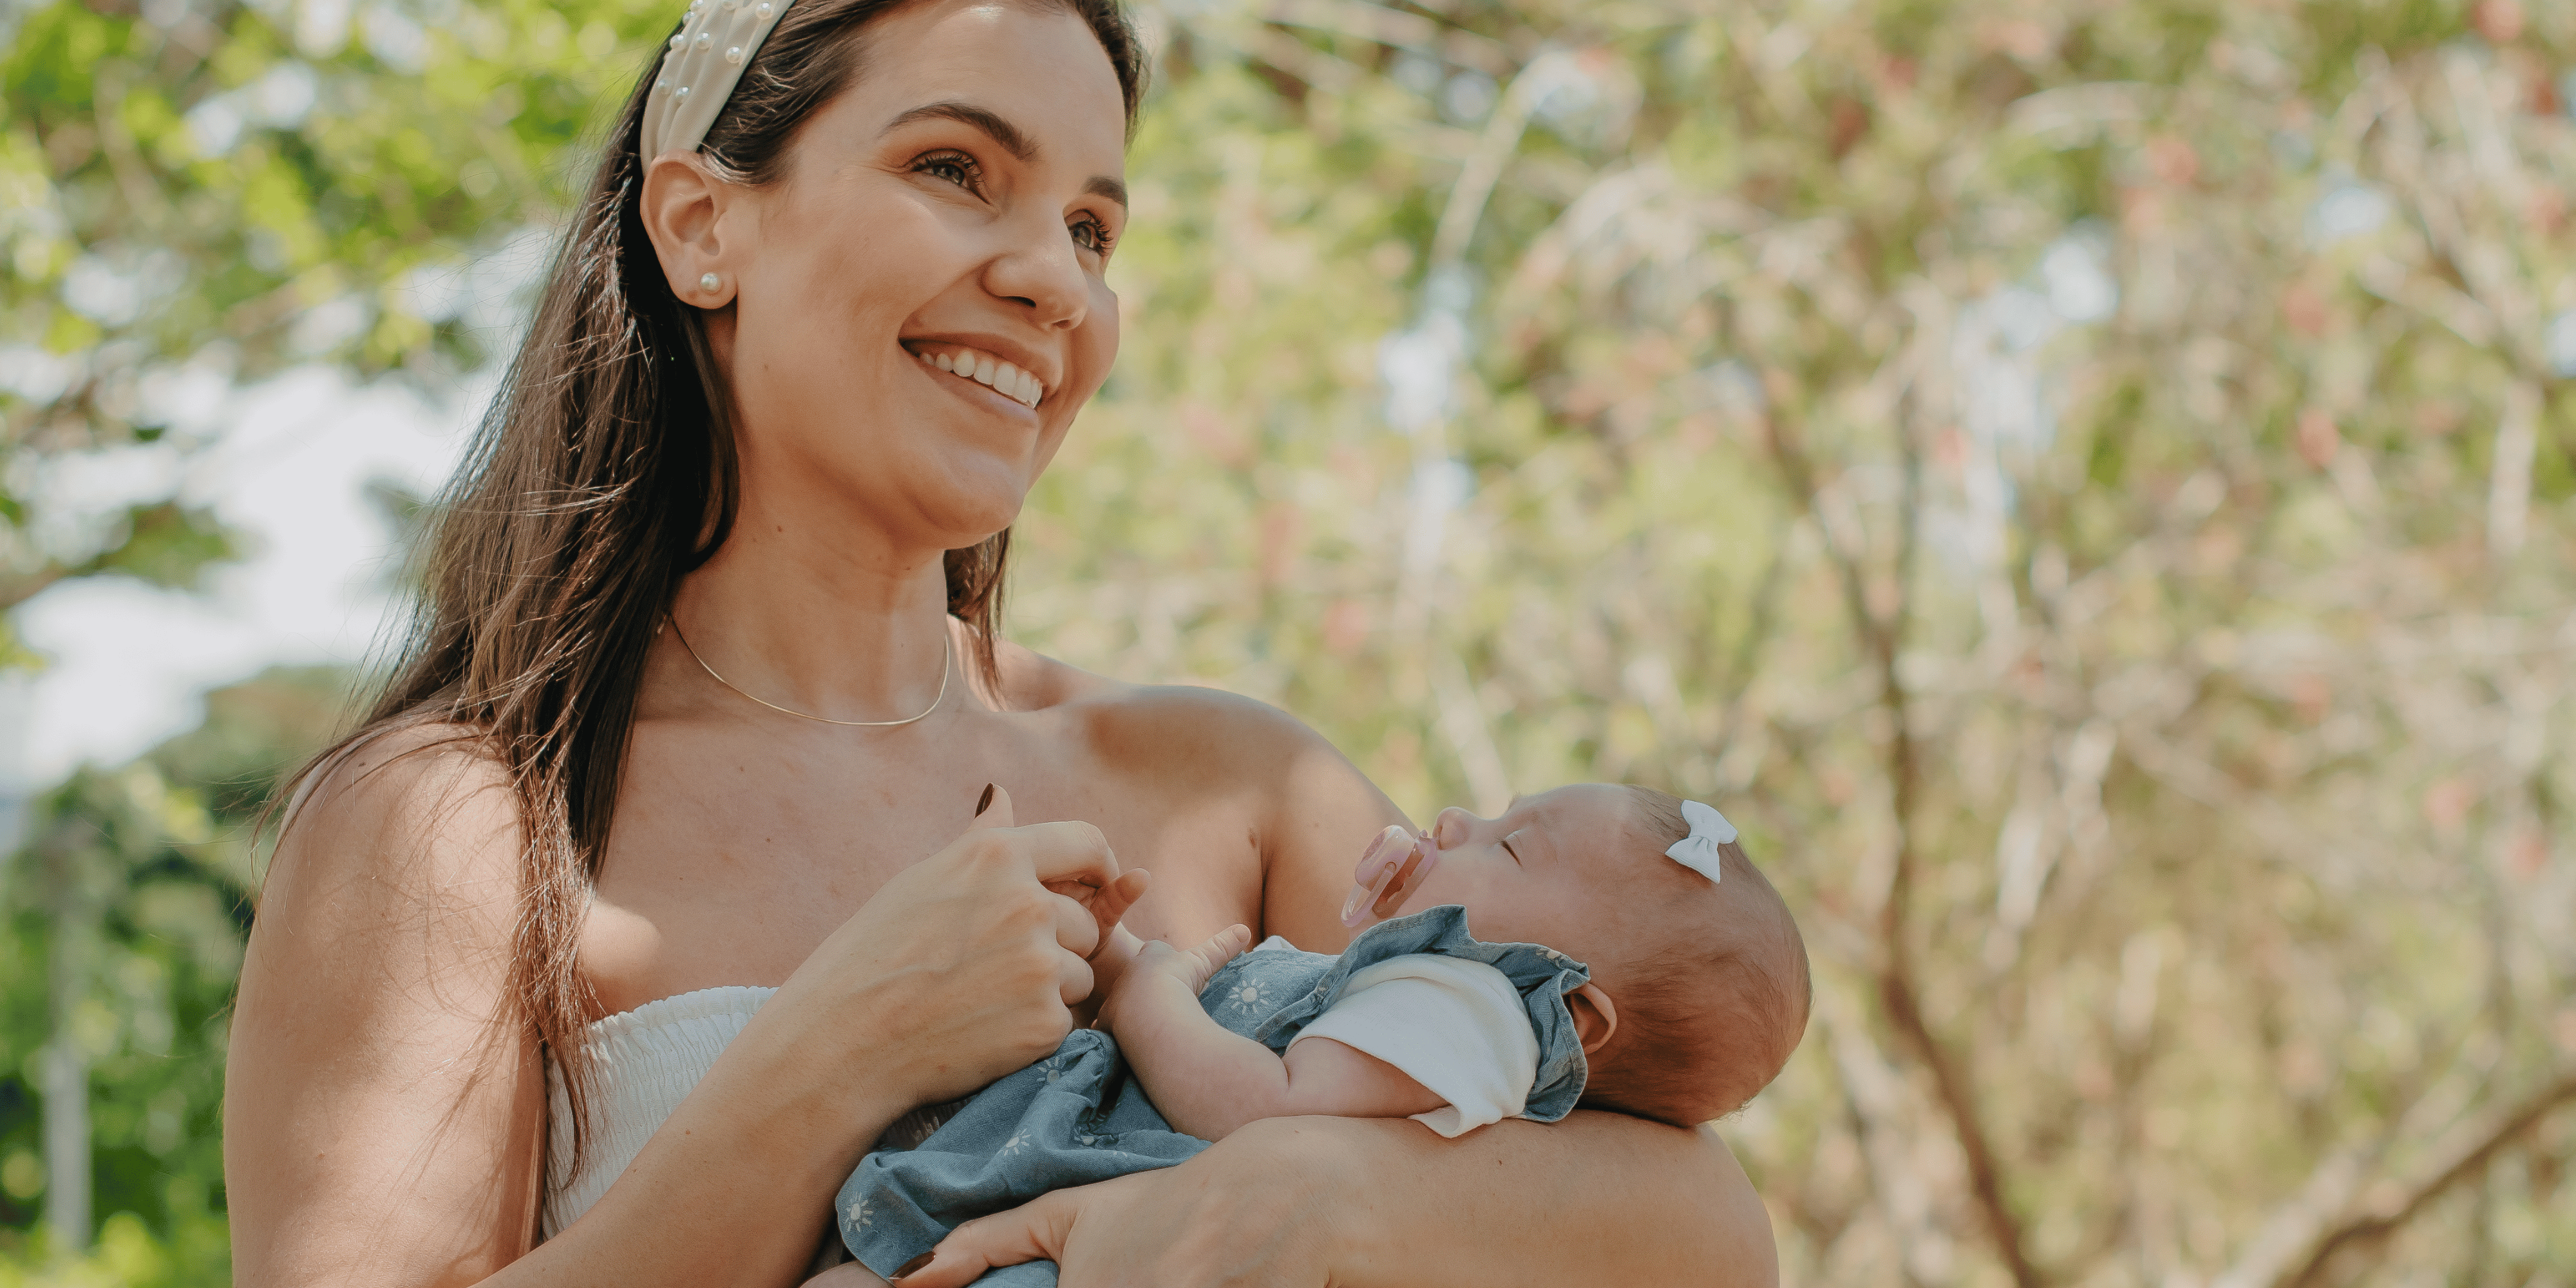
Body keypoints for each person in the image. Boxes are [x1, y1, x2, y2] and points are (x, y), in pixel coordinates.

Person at [220, 0, 1782, 1283]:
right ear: (702, 224)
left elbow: (1703, 1233)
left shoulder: (1232, 785)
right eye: (957, 168)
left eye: (1093, 226)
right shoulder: (463, 827)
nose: (1053, 280)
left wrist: (1313, 1194)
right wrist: (835, 1053)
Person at [842, 786, 1811, 1285]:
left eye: (1512, 843)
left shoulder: (1474, 1003)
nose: (1457, 819)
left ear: (1576, 1017)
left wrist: (1142, 991)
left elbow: (1261, 1106)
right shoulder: (1431, 1000)